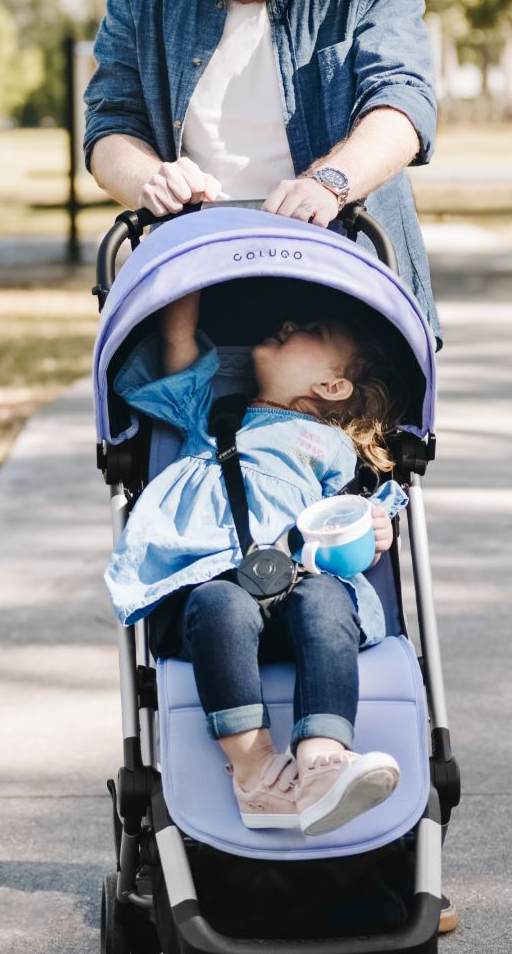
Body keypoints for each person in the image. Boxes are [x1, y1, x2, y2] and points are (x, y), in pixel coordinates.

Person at [83, 0, 441, 346]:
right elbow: (110, 123)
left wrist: (330, 183)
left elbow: (403, 101)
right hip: (196, 279)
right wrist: (149, 179)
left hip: (346, 274)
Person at [104, 290, 409, 835]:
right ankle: (257, 773)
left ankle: (322, 762)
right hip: (214, 592)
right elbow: (178, 339)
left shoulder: (332, 448)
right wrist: (188, 265)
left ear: (332, 387)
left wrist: (374, 522)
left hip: (301, 592)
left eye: (309, 328)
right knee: (219, 601)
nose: (286, 320)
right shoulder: (209, 413)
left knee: (325, 595)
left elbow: (352, 513)